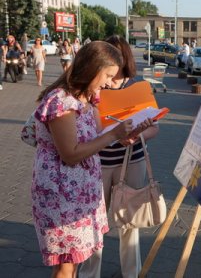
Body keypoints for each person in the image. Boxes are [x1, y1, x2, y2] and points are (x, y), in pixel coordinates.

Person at [31, 41, 149, 278]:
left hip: (81, 193)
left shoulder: (87, 98)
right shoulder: (62, 101)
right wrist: (114, 135)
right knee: (65, 265)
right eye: (107, 75)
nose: (108, 83)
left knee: (73, 262)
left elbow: (97, 135)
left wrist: (122, 137)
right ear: (92, 68)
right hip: (62, 195)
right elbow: (71, 153)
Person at [78, 35, 160, 278]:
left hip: (131, 161)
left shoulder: (137, 87)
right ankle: (90, 272)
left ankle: (131, 273)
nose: (112, 79)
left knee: (129, 220)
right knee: (93, 219)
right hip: (99, 162)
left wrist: (138, 135)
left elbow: (155, 127)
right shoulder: (94, 88)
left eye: (117, 70)